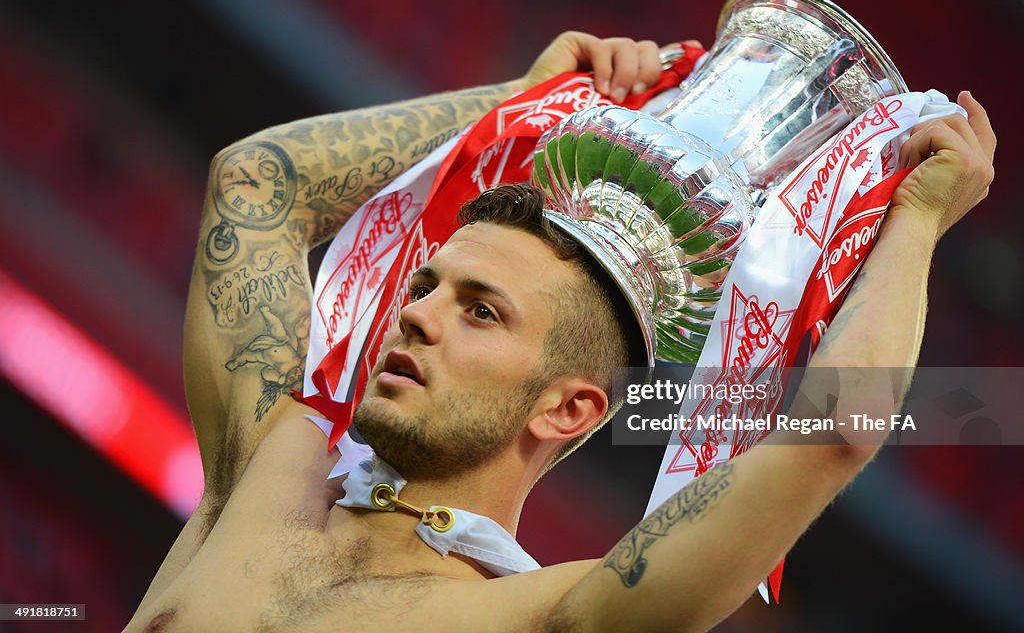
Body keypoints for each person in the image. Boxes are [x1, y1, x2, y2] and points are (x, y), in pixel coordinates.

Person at [125, 32, 996, 632]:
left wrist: (915, 221)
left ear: (569, 408)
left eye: (481, 311)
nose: (419, 314)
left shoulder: (552, 617)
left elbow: (834, 431)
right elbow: (256, 185)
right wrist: (518, 102)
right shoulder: (268, 468)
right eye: (427, 286)